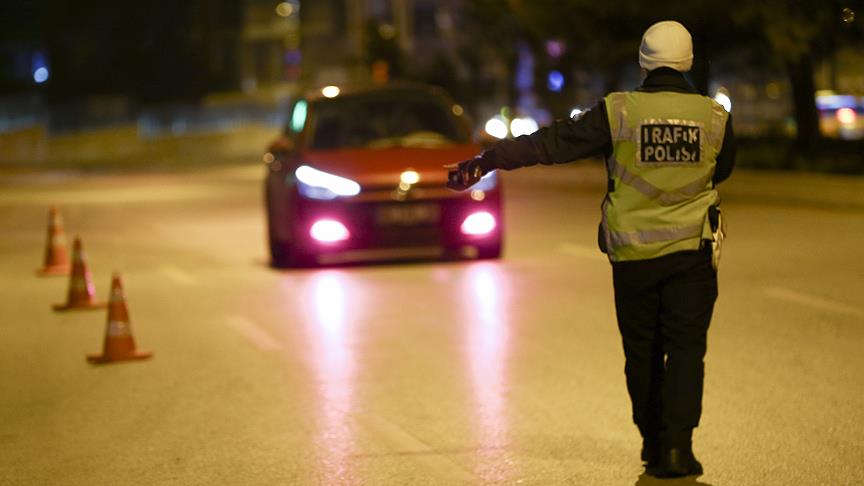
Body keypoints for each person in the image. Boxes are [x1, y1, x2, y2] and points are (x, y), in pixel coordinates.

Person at [447, 20, 735, 479]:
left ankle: (652, 443)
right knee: (684, 350)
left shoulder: (618, 111)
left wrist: (487, 161)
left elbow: (552, 144)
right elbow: (721, 171)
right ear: (688, 61)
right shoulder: (714, 117)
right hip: (692, 255)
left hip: (634, 256)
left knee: (642, 352)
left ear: (644, 60)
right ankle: (679, 450)